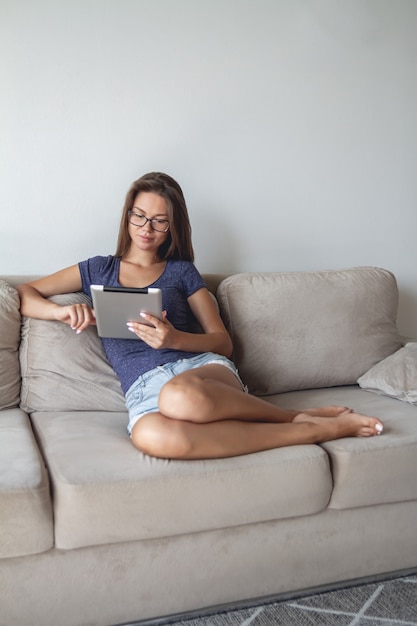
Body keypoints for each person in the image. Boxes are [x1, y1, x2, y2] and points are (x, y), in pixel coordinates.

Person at [17, 172, 384, 460]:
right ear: (127, 215)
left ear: (171, 227)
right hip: (144, 392)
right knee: (150, 437)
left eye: (159, 221)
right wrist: (62, 311)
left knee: (178, 397)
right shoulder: (98, 269)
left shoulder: (182, 272)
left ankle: (293, 418)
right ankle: (306, 429)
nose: (147, 229)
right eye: (140, 216)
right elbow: (23, 294)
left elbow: (223, 343)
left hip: (200, 375)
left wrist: (173, 338)